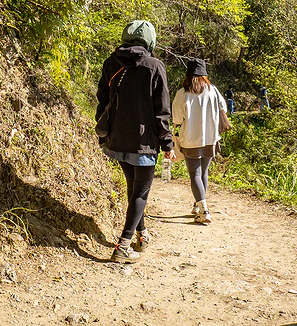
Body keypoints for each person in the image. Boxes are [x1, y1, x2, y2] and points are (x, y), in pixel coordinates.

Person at [96, 20, 174, 263]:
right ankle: (123, 246)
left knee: (134, 188)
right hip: (144, 142)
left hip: (117, 139)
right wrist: (167, 143)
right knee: (140, 191)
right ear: (149, 40)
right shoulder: (154, 66)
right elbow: (161, 110)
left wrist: (106, 133)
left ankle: (142, 234)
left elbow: (101, 101)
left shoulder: (110, 63)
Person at [172, 59, 225, 225]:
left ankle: (204, 211)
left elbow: (176, 118)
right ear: (205, 75)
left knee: (195, 174)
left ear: (188, 76)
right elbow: (223, 107)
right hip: (210, 138)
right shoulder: (213, 90)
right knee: (203, 172)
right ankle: (197, 205)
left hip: (191, 139)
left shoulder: (183, 93)